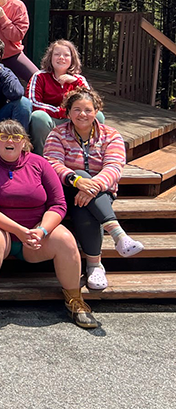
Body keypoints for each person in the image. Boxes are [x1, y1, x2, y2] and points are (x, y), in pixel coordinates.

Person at [0, 119, 97, 329]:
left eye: (16, 137)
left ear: (24, 142)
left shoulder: (40, 163)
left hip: (35, 233)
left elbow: (59, 204)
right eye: (3, 136)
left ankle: (75, 300)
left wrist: (42, 230)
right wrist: (18, 230)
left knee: (66, 239)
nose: (10, 141)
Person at [43, 88, 144, 290]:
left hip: (101, 192)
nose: (82, 114)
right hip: (67, 188)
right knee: (83, 177)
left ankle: (94, 265)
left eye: (88, 110)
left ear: (96, 110)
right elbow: (52, 162)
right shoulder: (57, 134)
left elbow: (115, 167)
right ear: (68, 112)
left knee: (83, 207)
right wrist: (76, 180)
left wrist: (91, 186)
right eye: (77, 109)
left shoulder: (111, 135)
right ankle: (117, 236)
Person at [27, 39, 104, 154]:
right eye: (57, 54)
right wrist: (61, 112)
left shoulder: (79, 80)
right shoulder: (39, 76)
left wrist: (76, 83)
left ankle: (89, 154)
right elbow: (32, 102)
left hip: (73, 119)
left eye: (66, 55)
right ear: (50, 58)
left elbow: (91, 103)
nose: (61, 58)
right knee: (38, 117)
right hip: (50, 120)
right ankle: (42, 158)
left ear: (72, 59)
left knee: (98, 115)